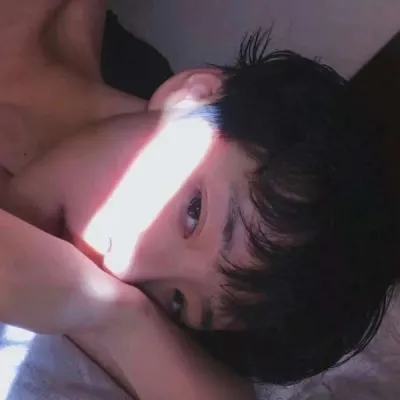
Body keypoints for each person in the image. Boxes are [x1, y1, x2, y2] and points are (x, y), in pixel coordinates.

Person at [0, 0, 397, 397]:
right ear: (194, 94)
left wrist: (116, 314)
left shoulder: (95, 288)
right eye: (193, 212)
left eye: (176, 302)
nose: (121, 267)